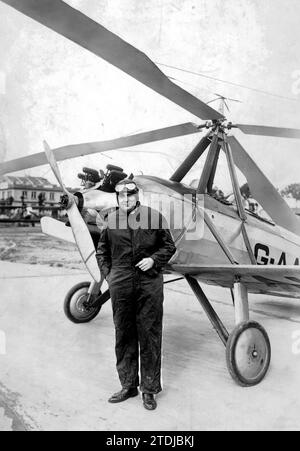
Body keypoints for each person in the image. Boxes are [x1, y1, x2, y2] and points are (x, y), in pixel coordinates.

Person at [96, 179, 176, 411]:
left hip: (149, 282)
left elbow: (169, 246)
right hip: (120, 283)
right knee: (124, 334)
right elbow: (102, 252)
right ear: (117, 198)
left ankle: (149, 390)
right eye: (122, 196)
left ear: (136, 195)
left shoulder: (154, 216)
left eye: (130, 195)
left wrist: (153, 259)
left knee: (149, 334)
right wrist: (110, 276)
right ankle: (128, 385)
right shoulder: (110, 220)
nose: (126, 199)